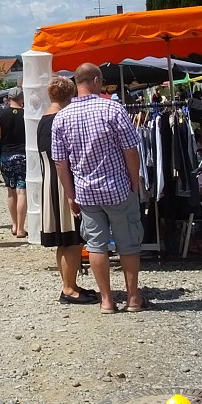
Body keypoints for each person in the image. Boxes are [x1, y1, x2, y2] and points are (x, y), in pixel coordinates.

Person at [52, 63, 144, 314]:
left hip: (86, 192)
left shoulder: (62, 117)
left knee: (96, 245)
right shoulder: (113, 108)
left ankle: (106, 300)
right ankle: (133, 298)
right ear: (94, 80)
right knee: (128, 244)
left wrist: (70, 195)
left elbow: (60, 163)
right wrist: (135, 179)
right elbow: (130, 149)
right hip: (118, 188)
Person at [37, 77, 96, 305]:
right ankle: (69, 288)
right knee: (72, 238)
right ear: (70, 95)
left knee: (64, 240)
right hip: (64, 184)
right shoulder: (61, 119)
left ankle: (69, 284)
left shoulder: (43, 119)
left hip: (50, 182)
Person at [0, 87, 29, 239]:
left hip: (6, 156)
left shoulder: (1, 115)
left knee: (11, 192)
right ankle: (21, 228)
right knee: (22, 191)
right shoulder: (27, 115)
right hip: (23, 156)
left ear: (8, 99)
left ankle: (14, 224)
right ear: (21, 98)